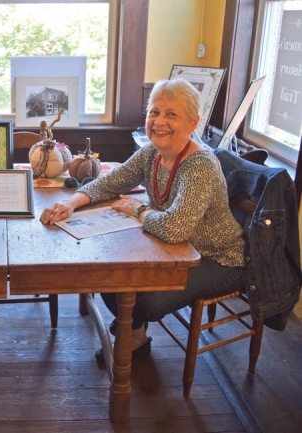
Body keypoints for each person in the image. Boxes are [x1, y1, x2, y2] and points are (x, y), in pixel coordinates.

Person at [40, 78, 245, 361]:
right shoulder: (151, 152)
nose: (159, 121)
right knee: (109, 271)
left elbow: (174, 228)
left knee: (142, 301)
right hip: (176, 247)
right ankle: (135, 336)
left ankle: (133, 332)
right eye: (154, 112)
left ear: (193, 122)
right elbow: (111, 183)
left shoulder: (200, 165)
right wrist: (71, 202)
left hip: (216, 256)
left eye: (172, 114)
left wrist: (138, 210)